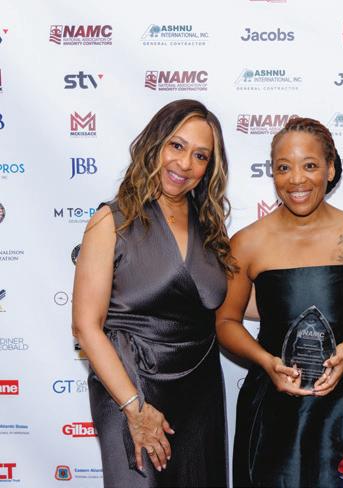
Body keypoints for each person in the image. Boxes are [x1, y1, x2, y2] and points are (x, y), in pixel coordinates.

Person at [216, 117, 343, 487]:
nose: (296, 180)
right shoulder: (246, 242)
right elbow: (225, 321)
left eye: (309, 165)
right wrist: (266, 362)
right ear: (272, 172)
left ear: (330, 168)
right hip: (273, 405)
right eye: (283, 168)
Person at [72, 99, 232, 488]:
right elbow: (85, 327)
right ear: (154, 144)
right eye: (176, 146)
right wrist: (135, 408)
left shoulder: (210, 228)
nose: (185, 164)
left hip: (201, 395)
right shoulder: (110, 221)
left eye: (200, 156)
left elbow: (231, 303)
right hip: (132, 390)